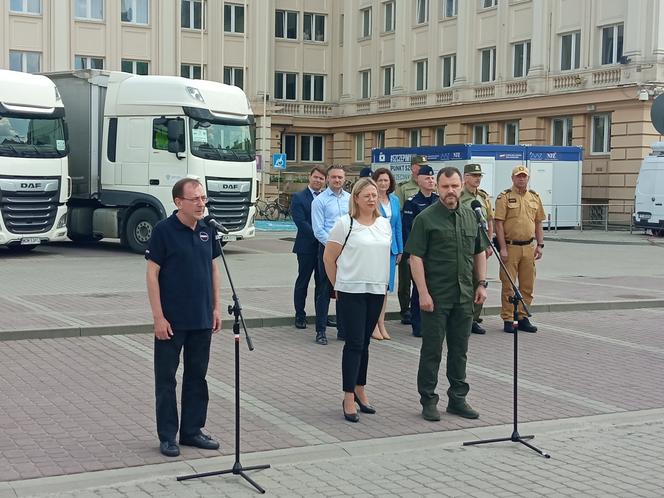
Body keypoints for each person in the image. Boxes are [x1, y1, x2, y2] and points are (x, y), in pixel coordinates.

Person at [145, 178, 222, 457]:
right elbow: (152, 274)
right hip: (172, 320)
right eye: (196, 199)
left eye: (203, 198)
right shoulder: (164, 230)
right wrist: (158, 317)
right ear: (179, 202)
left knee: (197, 377)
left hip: (201, 317)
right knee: (166, 380)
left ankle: (192, 431)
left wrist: (216, 307)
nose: (202, 203)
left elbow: (213, 269)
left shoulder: (207, 230)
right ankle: (168, 436)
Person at [406, 167, 488, 422]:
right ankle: (428, 399)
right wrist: (422, 293)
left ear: (461, 185)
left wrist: (481, 284)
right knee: (432, 351)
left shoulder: (471, 215)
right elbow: (415, 258)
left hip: (464, 295)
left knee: (459, 350)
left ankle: (458, 399)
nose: (450, 191)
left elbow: (479, 252)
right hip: (436, 296)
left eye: (454, 186)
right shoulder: (426, 218)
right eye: (445, 187)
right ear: (437, 188)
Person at [323, 178, 391, 423]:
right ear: (357, 199)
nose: (372, 199)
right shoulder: (345, 224)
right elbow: (329, 258)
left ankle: (361, 387)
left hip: (376, 290)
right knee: (353, 344)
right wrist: (336, 286)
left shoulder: (384, 224)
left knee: (365, 343)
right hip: (351, 291)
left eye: (375, 195)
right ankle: (348, 395)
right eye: (367, 195)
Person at [494, 165, 546, 333]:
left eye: (524, 176)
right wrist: (502, 248)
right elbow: (499, 224)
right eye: (518, 176)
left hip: (529, 247)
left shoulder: (534, 197)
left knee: (527, 285)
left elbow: (538, 222)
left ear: (528, 178)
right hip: (511, 247)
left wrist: (540, 244)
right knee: (508, 285)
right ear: (513, 178)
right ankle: (508, 319)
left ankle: (523, 317)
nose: (521, 179)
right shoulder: (504, 197)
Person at [312, 165, 352, 345]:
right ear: (327, 179)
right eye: (334, 177)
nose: (337, 180)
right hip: (327, 250)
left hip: (348, 250)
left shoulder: (351, 199)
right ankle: (320, 331)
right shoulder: (319, 201)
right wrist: (334, 245)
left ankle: (343, 330)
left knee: (344, 289)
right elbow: (318, 229)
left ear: (345, 179)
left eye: (340, 177)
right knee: (324, 290)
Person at [402, 165, 439, 337]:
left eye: (432, 178)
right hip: (419, 253)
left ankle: (433, 322)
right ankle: (418, 324)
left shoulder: (439, 200)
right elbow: (408, 229)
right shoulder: (412, 202)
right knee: (419, 288)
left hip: (436, 253)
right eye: (427, 178)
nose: (431, 181)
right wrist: (410, 254)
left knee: (435, 288)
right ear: (419, 180)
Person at [459, 163, 494, 335]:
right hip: (466, 243)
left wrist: (489, 243)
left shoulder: (483, 197)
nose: (477, 178)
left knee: (480, 281)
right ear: (465, 177)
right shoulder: (459, 196)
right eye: (474, 175)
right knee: (466, 281)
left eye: (479, 175)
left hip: (481, 244)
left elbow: (490, 220)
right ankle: (464, 317)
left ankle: (474, 318)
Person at [291, 166, 327, 329]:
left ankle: (322, 316)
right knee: (303, 282)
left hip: (325, 248)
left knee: (322, 284)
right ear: (309, 177)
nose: (318, 180)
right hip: (306, 247)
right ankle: (300, 315)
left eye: (321, 178)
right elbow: (300, 221)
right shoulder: (299, 197)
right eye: (316, 177)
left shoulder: (328, 198)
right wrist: (319, 235)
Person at [371, 167, 403, 340]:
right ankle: (373, 324)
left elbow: (397, 226)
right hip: (375, 248)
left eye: (386, 180)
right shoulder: (372, 199)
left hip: (390, 249)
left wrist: (400, 249)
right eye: (380, 180)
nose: (383, 183)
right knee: (375, 287)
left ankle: (381, 322)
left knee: (384, 288)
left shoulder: (395, 200)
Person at [396, 155, 427, 325]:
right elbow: (400, 214)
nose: (421, 168)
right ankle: (404, 309)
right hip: (408, 236)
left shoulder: (430, 187)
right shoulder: (403, 188)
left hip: (424, 241)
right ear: (412, 168)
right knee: (405, 278)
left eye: (424, 165)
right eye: (419, 166)